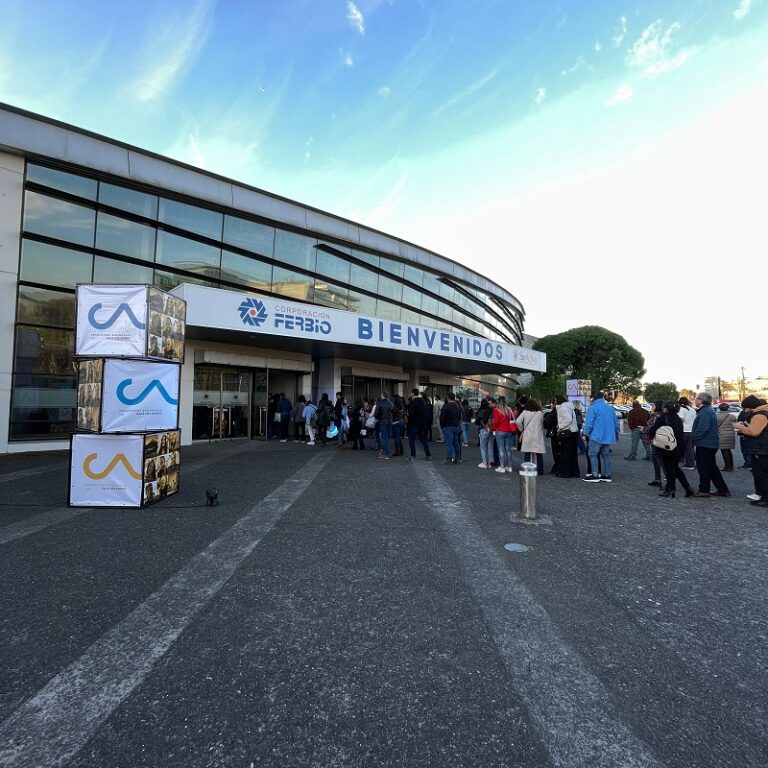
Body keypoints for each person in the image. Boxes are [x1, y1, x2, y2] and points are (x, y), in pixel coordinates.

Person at [649, 401, 694, 498]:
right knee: (675, 468)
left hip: (666, 447)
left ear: (665, 408)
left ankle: (670, 489)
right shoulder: (677, 418)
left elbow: (653, 431)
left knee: (669, 469)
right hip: (678, 446)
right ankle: (687, 488)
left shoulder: (662, 418)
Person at [690, 392, 730, 497]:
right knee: (711, 467)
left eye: (697, 398)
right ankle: (722, 489)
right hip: (709, 443)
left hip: (705, 444)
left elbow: (703, 428)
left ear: (701, 400)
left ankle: (704, 490)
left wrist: (694, 438)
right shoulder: (708, 410)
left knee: (703, 467)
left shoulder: (705, 412)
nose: (695, 400)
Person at [733, 395, 768, 507]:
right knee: (761, 473)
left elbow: (754, 432)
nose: (745, 411)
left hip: (760, 449)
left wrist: (740, 427)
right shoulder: (763, 413)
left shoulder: (759, 416)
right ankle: (763, 496)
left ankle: (765, 498)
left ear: (751, 406)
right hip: (761, 448)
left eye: (745, 408)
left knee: (761, 474)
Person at [582, 391, 620, 483]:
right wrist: (616, 433)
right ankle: (607, 475)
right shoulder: (609, 408)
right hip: (608, 436)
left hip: (596, 435)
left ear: (593, 398)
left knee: (593, 454)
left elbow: (589, 423)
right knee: (606, 455)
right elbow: (616, 422)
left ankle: (595, 475)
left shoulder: (593, 408)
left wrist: (585, 433)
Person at [516, 398, 546, 475]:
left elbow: (518, 421)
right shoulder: (539, 413)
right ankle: (540, 471)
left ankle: (527, 470)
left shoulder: (525, 412)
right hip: (537, 436)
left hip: (527, 435)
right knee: (538, 454)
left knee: (527, 454)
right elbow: (542, 423)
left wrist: (521, 429)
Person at [554, 395, 580, 478]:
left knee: (565, 453)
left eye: (555, 400)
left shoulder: (562, 408)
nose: (555, 402)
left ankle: (565, 472)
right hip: (574, 432)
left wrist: (560, 427)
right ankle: (574, 472)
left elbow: (568, 420)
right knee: (573, 454)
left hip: (567, 432)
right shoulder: (570, 407)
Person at [490, 396, 516, 473]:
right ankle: (509, 467)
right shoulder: (509, 409)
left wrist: (492, 429)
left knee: (501, 449)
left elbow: (496, 422)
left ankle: (502, 467)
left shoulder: (496, 410)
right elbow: (512, 419)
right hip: (508, 431)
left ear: (498, 402)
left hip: (500, 431)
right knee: (508, 449)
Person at [643, 401, 666, 488]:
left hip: (657, 441)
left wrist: (643, 429)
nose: (651, 408)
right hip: (657, 441)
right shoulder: (658, 416)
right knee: (656, 461)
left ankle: (668, 482)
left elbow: (652, 428)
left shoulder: (657, 417)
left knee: (661, 462)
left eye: (653, 406)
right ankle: (657, 479)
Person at [405, 389, 432, 461]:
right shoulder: (423, 401)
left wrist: (407, 414)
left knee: (411, 439)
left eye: (411, 393)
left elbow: (410, 412)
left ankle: (413, 455)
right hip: (422, 423)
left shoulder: (413, 402)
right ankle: (428, 455)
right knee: (423, 439)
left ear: (413, 393)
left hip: (413, 423)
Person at [439, 392, 463, 464]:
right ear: (454, 398)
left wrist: (442, 426)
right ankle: (457, 458)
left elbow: (442, 418)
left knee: (449, 443)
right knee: (456, 443)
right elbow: (459, 417)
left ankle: (448, 458)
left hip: (447, 426)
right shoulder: (457, 406)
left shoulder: (446, 406)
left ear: (447, 398)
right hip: (456, 426)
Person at [716, 403, 736, 471]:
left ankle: (728, 466)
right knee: (728, 451)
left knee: (724, 451)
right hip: (730, 435)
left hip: (721, 435)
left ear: (719, 408)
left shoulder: (717, 416)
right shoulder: (732, 416)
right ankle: (731, 465)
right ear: (727, 408)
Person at [677, 397, 697, 469]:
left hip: (684, 430)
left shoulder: (681, 409)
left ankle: (689, 463)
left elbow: (680, 420)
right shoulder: (692, 410)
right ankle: (691, 462)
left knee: (684, 447)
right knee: (689, 448)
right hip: (692, 430)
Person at [475, 397, 494, 468]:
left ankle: (484, 463)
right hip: (491, 430)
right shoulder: (491, 411)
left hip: (483, 430)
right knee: (490, 447)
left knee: (483, 447)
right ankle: (490, 463)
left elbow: (477, 421)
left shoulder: (481, 411)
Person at [375, 392, 394, 458]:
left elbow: (376, 414)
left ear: (382, 395)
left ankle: (386, 452)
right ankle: (384, 450)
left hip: (383, 422)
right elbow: (394, 412)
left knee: (384, 437)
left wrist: (378, 418)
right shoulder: (391, 403)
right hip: (390, 422)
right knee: (387, 437)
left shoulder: (380, 403)